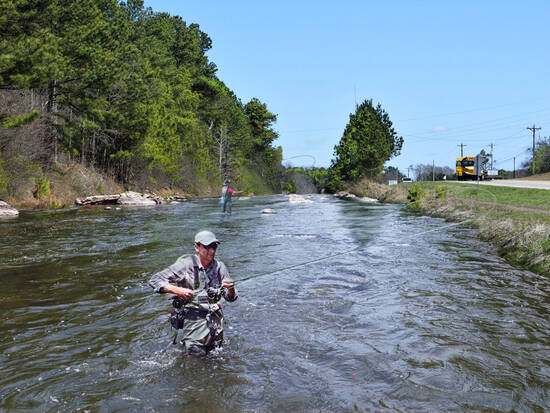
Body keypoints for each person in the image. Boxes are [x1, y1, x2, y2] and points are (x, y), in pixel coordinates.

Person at [149, 230, 237, 355]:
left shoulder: (220, 267)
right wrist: (178, 290)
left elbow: (231, 298)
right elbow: (155, 280)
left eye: (214, 246)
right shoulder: (185, 265)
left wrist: (231, 289)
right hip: (193, 323)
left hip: (216, 323)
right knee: (195, 361)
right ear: (196, 247)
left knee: (216, 358)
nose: (211, 251)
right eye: (207, 247)